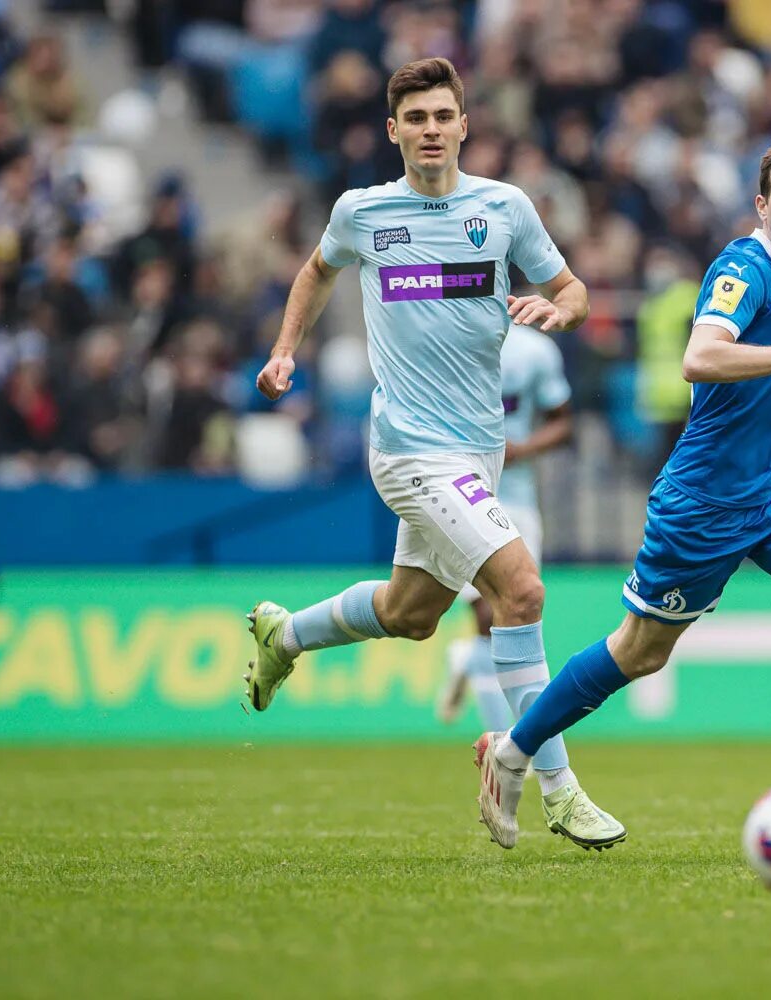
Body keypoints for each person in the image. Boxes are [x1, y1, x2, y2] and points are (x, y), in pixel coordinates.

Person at [471, 142, 771, 850]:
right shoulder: (742, 268)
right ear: (761, 205)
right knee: (640, 652)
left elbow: (758, 381)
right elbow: (701, 357)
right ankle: (511, 753)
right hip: (704, 499)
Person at [245, 57, 624, 850]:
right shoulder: (363, 212)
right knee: (520, 591)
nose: (429, 130)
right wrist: (286, 352)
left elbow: (576, 290)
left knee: (411, 614)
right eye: (414, 118)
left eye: (441, 116)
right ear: (393, 131)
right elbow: (316, 272)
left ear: (462, 125)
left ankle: (284, 636)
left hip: (478, 449)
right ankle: (551, 784)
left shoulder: (504, 207)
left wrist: (557, 310)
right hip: (410, 448)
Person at [436, 322, 573, 732]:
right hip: (456, 492)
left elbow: (563, 421)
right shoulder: (444, 340)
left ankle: (468, 660)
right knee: (487, 615)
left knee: (515, 613)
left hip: (516, 497)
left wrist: (524, 450)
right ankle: (505, 741)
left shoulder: (535, 351)